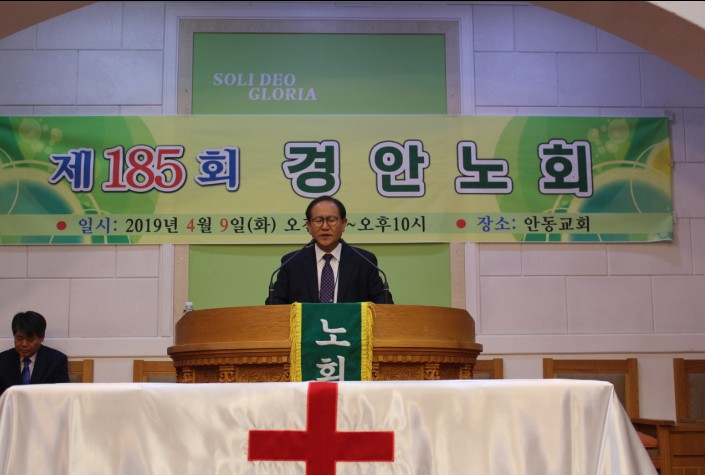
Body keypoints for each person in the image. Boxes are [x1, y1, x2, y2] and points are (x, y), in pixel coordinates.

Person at [266, 196, 393, 305]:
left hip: (350, 327)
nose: (325, 227)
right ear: (309, 226)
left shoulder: (364, 261)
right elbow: (274, 305)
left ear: (343, 224)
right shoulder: (292, 263)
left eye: (331, 220)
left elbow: (384, 304)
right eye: (318, 220)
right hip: (306, 327)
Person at [0, 310, 69, 395]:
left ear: (42, 337)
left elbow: (61, 396)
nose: (24, 344)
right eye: (19, 338)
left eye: (30, 339)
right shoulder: (2, 360)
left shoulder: (56, 361)